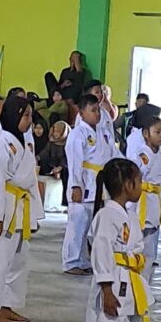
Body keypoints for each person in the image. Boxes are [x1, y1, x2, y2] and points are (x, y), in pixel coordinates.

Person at [82, 157, 153, 322]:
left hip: (131, 281)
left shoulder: (128, 216)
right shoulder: (107, 215)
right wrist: (106, 288)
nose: (142, 186)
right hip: (113, 283)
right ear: (127, 185)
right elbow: (100, 250)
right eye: (139, 181)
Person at [0, 95, 44, 322]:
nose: (29, 120)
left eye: (30, 115)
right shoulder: (0, 147)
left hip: (22, 208)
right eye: (25, 115)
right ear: (13, 116)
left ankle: (8, 304)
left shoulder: (25, 144)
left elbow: (30, 180)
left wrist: (35, 216)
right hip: (6, 207)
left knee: (19, 261)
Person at [63, 95, 114, 275]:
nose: (97, 114)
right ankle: (71, 261)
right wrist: (76, 185)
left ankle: (84, 260)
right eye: (93, 110)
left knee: (90, 227)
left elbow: (113, 155)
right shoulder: (78, 133)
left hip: (99, 184)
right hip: (83, 183)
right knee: (77, 224)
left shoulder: (104, 133)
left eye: (98, 110)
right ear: (82, 113)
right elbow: (75, 161)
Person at [126, 116, 161, 281]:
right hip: (139, 206)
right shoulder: (139, 155)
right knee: (134, 247)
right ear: (146, 134)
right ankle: (130, 284)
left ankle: (145, 287)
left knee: (150, 253)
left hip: (154, 209)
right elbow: (134, 177)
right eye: (157, 132)